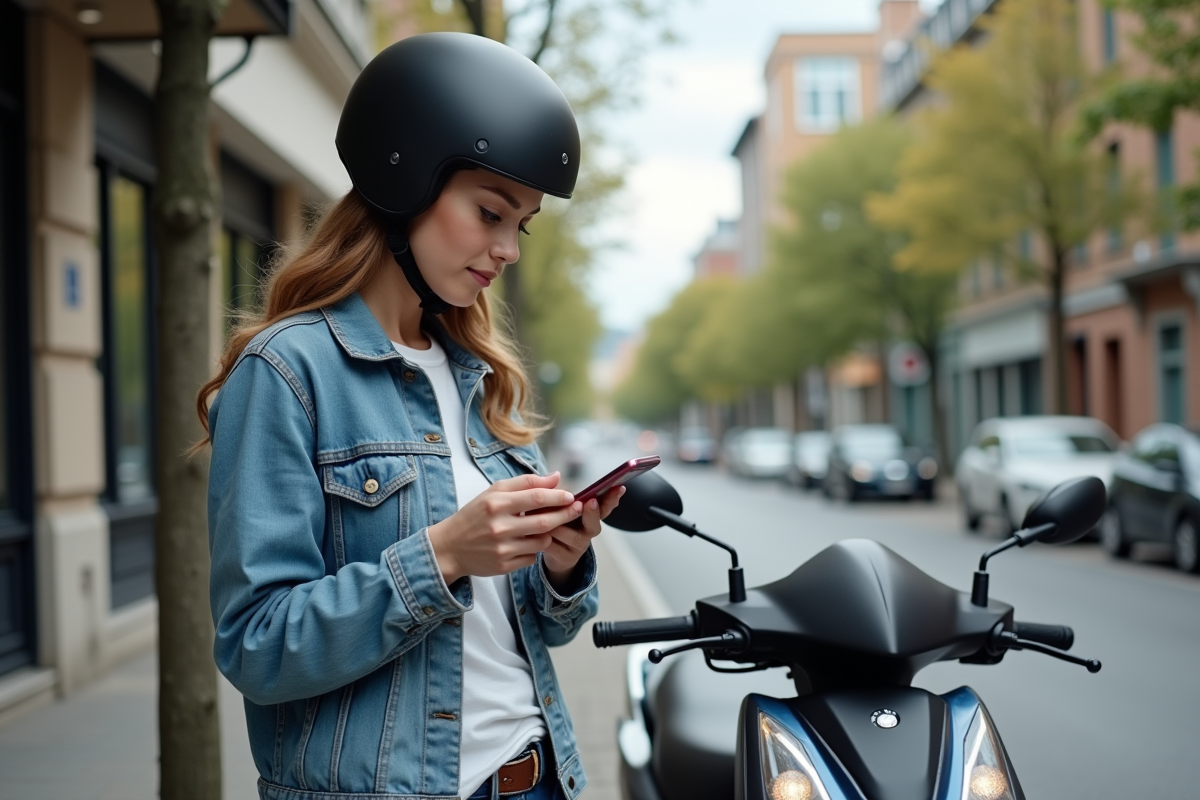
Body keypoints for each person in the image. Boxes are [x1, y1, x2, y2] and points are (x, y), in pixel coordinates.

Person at [200, 33, 620, 800]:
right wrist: (444, 554)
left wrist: (561, 564)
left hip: (537, 778)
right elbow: (257, 645)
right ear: (404, 183)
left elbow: (546, 631)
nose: (509, 249)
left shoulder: (480, 377)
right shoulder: (289, 372)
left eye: (521, 225)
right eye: (490, 212)